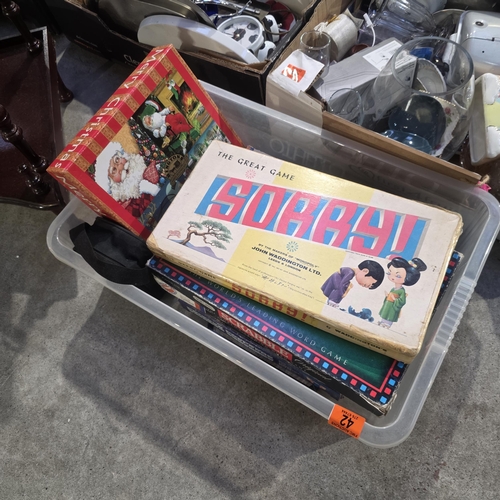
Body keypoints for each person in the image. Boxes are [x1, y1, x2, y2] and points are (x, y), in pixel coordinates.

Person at [94, 141, 160, 216]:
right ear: (111, 181)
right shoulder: (127, 203)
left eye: (117, 160)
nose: (120, 167)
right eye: (114, 170)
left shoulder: (145, 166)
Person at [378, 256, 427, 329]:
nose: (392, 277)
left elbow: (402, 301)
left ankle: (387, 324)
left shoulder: (401, 290)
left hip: (394, 306)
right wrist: (387, 296)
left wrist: (394, 299)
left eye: (398, 276)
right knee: (385, 312)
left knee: (390, 314)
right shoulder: (393, 289)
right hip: (388, 303)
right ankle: (382, 322)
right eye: (389, 273)